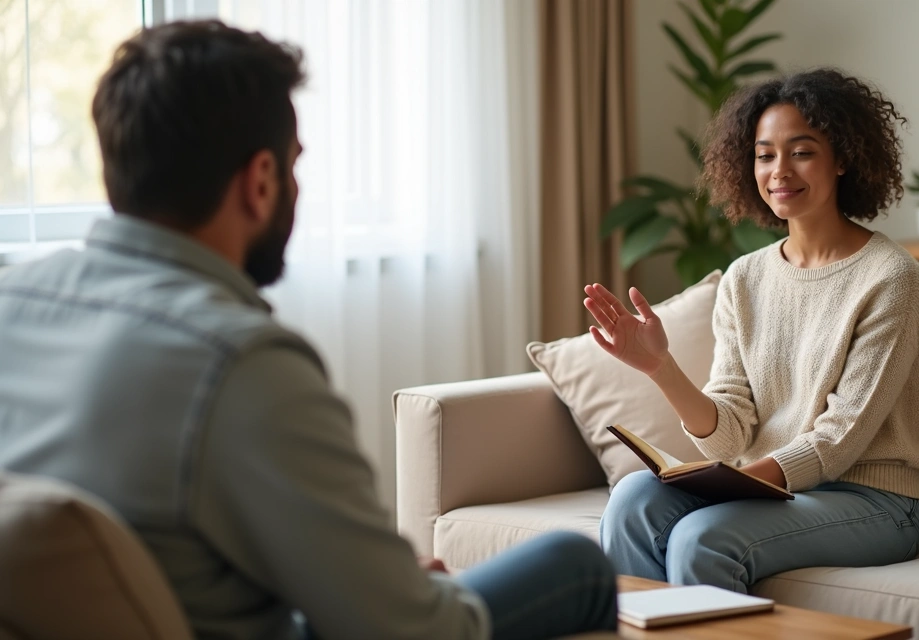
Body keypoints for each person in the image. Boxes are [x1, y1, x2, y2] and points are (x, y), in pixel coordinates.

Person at [0, 20, 616, 640]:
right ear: (260, 180)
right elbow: (412, 633)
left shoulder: (13, 299)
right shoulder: (240, 364)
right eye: (295, 167)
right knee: (575, 565)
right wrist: (418, 596)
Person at [585, 68, 919, 592]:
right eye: (764, 154)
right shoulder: (745, 277)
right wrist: (661, 368)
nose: (779, 170)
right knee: (633, 499)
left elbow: (839, 439)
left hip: (875, 501)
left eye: (801, 151)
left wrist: (739, 486)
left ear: (843, 158)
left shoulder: (891, 277)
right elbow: (730, 435)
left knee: (703, 537)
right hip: (772, 487)